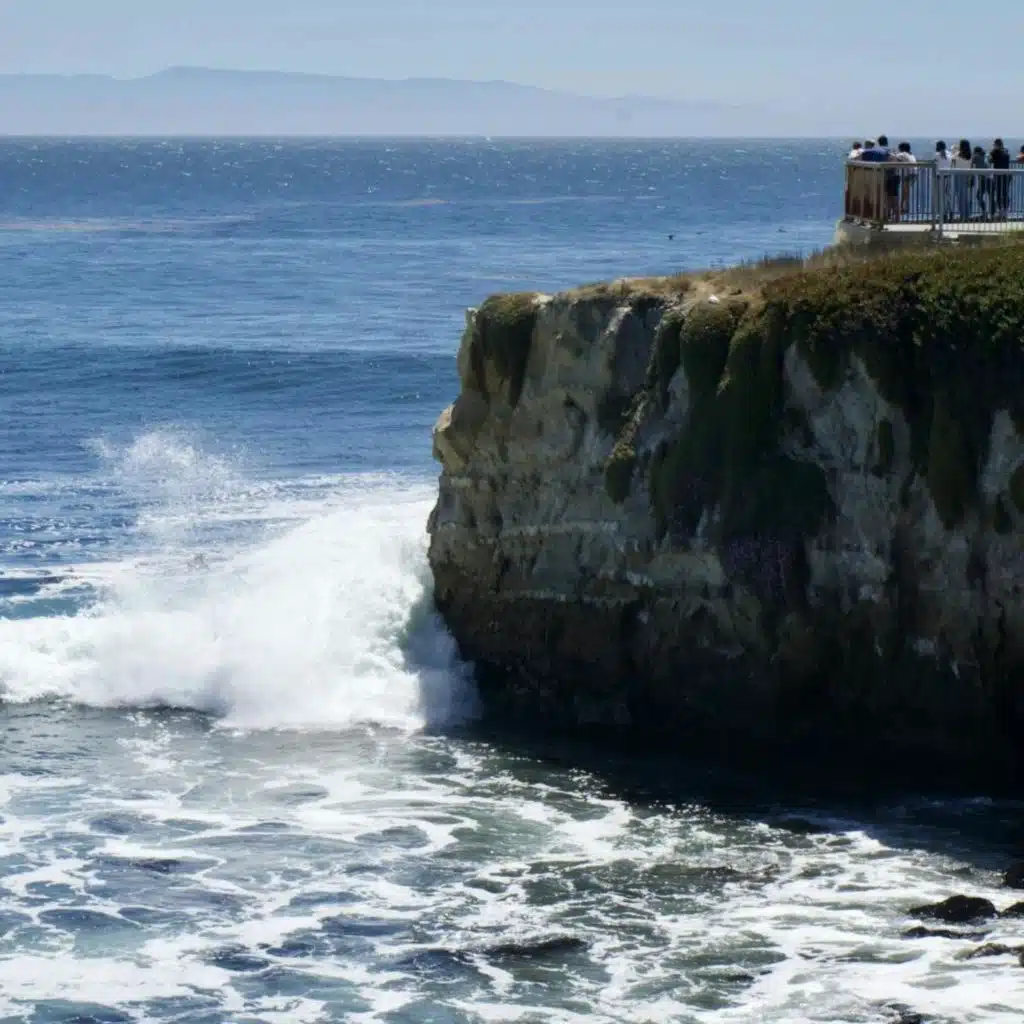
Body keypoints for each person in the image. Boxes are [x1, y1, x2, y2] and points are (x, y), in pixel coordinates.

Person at [894, 141, 917, 217]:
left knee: (904, 192)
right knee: (906, 192)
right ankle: (904, 207)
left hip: (908, 174)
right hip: (914, 174)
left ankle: (902, 208)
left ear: (901, 148)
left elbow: (894, 158)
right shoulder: (911, 154)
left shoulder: (902, 154)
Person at [952, 140, 973, 220]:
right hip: (967, 175)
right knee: (966, 198)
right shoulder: (970, 155)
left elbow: (952, 161)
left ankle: (962, 215)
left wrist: (955, 149)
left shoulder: (957, 155)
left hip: (958, 176)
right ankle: (967, 215)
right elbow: (971, 166)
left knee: (960, 197)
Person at [990, 137, 1011, 218]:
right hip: (1006, 175)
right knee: (1005, 193)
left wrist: (992, 151)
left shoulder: (995, 152)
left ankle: (1000, 211)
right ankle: (1005, 211)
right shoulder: (1006, 152)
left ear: (996, 145)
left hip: (998, 175)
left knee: (999, 193)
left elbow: (989, 160)